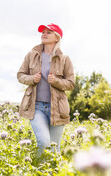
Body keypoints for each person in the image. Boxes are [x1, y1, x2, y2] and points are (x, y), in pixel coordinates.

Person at [17, 23, 75, 156]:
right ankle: (37, 170)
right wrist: (32, 79)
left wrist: (56, 82)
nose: (44, 34)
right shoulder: (32, 55)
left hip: (58, 109)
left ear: (57, 37)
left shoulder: (65, 59)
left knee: (54, 150)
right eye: (43, 32)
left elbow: (71, 83)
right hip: (36, 107)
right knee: (43, 142)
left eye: (49, 32)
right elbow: (20, 75)